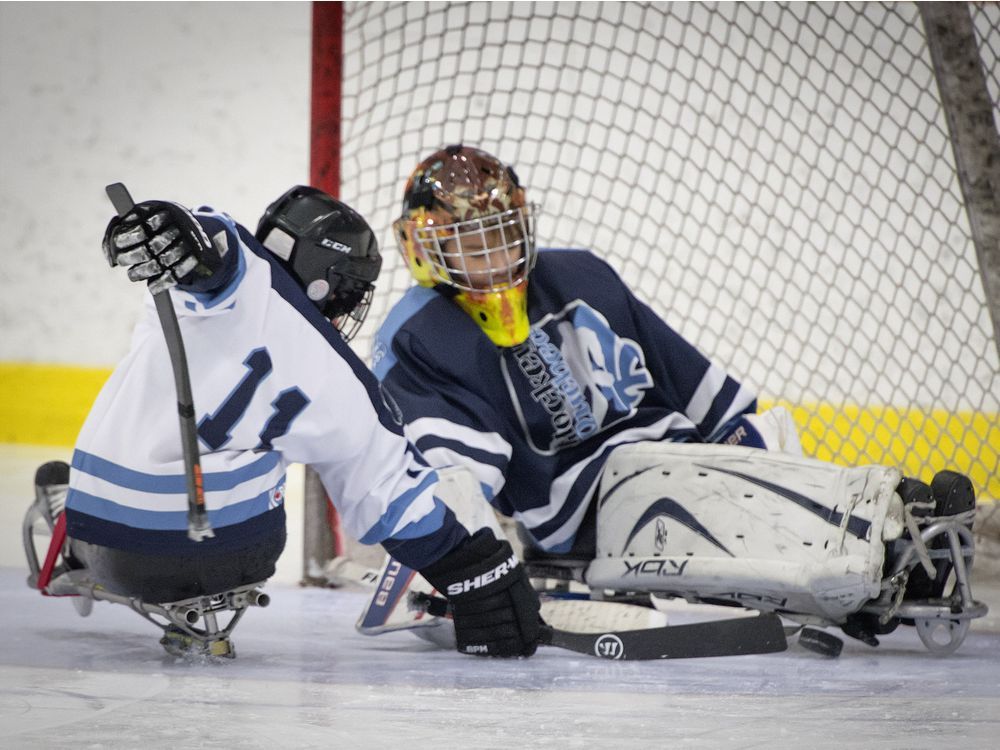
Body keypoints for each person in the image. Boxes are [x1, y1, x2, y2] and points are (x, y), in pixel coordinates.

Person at [360, 145, 985, 655]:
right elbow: (453, 477)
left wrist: (756, 448)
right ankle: (882, 546)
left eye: (503, 236)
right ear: (423, 248)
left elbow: (704, 393)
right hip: (587, 505)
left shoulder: (581, 274)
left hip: (671, 454)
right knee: (678, 485)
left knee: (765, 446)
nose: (495, 258)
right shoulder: (422, 336)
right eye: (471, 244)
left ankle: (888, 527)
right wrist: (468, 579)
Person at [23, 185, 540, 659]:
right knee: (269, 444)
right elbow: (390, 497)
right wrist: (482, 577)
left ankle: (72, 536)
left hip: (115, 544)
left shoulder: (228, 273)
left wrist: (170, 226)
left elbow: (212, 246)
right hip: (241, 552)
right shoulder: (345, 381)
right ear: (326, 282)